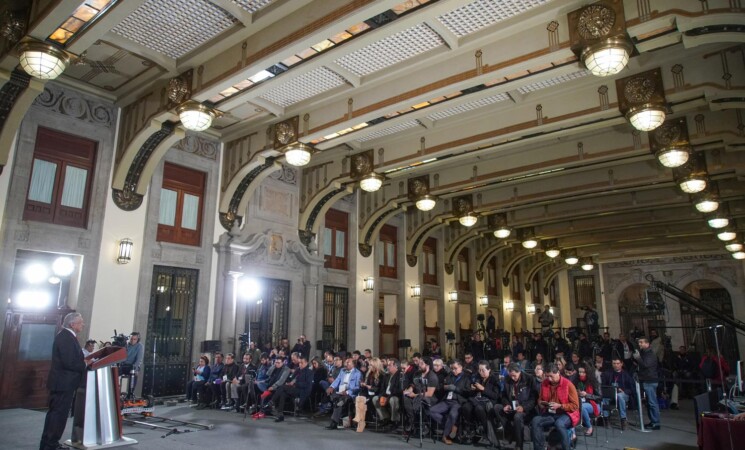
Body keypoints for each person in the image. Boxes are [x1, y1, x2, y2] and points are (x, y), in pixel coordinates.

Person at [39, 312, 87, 450]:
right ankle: (50, 445)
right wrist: (85, 364)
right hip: (63, 383)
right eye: (81, 322)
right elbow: (69, 362)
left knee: (56, 415)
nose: (83, 324)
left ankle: (50, 444)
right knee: (57, 415)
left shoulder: (66, 336)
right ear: (73, 324)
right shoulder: (66, 338)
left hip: (63, 383)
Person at [531, 363, 580, 450]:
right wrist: (541, 403)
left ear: (558, 373)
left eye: (551, 376)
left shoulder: (568, 384)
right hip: (551, 412)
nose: (549, 379)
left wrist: (560, 406)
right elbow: (540, 398)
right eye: (547, 376)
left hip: (567, 413)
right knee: (535, 421)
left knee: (559, 424)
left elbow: (575, 406)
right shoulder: (545, 383)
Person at [460, 360, 501, 446]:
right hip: (475, 400)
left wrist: (483, 389)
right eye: (479, 370)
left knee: (479, 409)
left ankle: (487, 433)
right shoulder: (476, 377)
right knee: (465, 407)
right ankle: (472, 430)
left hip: (487, 401)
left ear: (489, 369)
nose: (480, 372)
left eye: (483, 370)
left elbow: (495, 396)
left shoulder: (494, 379)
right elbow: (470, 393)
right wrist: (472, 389)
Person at [429, 359, 470, 444]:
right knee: (432, 411)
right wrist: (444, 387)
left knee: (452, 414)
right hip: (447, 400)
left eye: (455, 368)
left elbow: (468, 392)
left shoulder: (466, 377)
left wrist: (456, 389)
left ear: (461, 367)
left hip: (457, 401)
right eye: (452, 368)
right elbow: (440, 386)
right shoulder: (449, 375)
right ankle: (452, 426)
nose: (453, 370)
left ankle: (445, 436)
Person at [499, 363, 537, 450]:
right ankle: (510, 433)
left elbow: (533, 399)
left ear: (519, 371)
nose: (512, 378)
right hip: (512, 406)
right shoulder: (507, 379)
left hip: (526, 409)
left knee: (517, 416)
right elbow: (504, 395)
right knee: (497, 408)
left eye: (514, 376)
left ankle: (519, 445)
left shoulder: (529, 379)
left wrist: (524, 408)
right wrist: (506, 404)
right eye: (510, 376)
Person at [325, 357, 362, 430]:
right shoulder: (342, 370)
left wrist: (348, 392)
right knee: (333, 396)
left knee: (339, 401)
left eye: (348, 362)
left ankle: (334, 422)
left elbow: (358, 387)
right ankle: (338, 419)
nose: (346, 364)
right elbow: (337, 380)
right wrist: (331, 387)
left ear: (353, 365)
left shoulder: (357, 373)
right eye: (346, 362)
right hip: (340, 392)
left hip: (350, 394)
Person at [273, 356, 313, 422]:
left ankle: (272, 401)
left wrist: (295, 384)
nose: (300, 364)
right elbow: (291, 378)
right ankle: (280, 415)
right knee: (283, 393)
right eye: (299, 363)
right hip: (293, 389)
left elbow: (307, 385)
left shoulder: (309, 372)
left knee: (282, 387)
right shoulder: (297, 370)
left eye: (302, 363)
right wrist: (288, 382)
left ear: (306, 363)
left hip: (302, 391)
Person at [634, 337, 660, 430]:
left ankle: (656, 422)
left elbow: (646, 365)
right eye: (639, 342)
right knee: (649, 403)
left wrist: (638, 359)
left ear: (647, 344)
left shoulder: (650, 354)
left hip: (650, 380)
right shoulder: (644, 353)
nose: (639, 344)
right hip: (646, 380)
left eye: (641, 342)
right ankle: (653, 421)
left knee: (652, 402)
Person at [601, 358, 634, 430]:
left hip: (623, 394)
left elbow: (631, 388)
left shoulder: (626, 374)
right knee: (605, 398)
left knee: (620, 396)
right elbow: (604, 386)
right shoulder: (607, 373)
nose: (616, 365)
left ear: (621, 364)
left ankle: (623, 419)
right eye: (614, 363)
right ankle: (606, 419)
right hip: (611, 393)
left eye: (618, 363)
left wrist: (623, 390)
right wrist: (611, 390)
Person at [374, 358, 403, 427]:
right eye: (388, 365)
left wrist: (388, 397)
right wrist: (381, 396)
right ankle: (385, 418)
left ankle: (395, 420)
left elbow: (399, 390)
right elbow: (382, 388)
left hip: (395, 395)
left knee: (393, 400)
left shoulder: (400, 375)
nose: (387, 367)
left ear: (396, 366)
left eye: (390, 365)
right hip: (386, 395)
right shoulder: (386, 376)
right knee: (375, 399)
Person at [574, 363, 600, 437]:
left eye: (583, 372)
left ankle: (589, 427)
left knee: (581, 407)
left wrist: (587, 395)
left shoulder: (593, 382)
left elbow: (599, 397)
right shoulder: (576, 381)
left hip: (594, 404)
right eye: (579, 372)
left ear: (587, 372)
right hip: (580, 401)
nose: (581, 374)